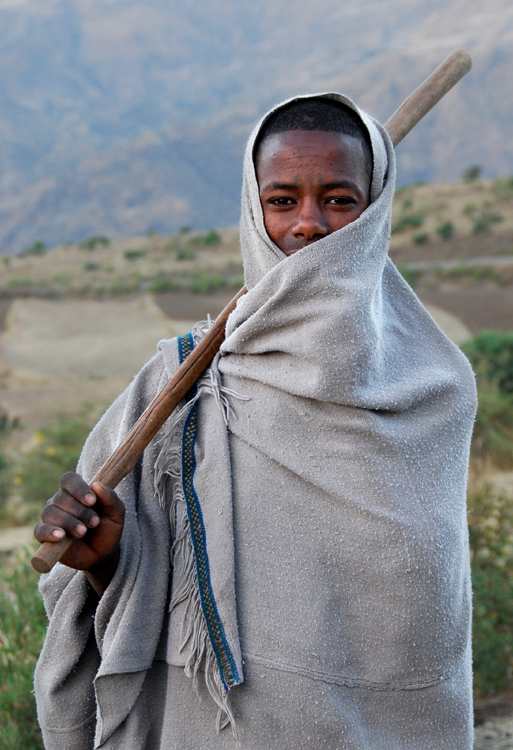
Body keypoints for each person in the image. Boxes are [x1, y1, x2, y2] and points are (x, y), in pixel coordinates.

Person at [34, 94, 477, 750]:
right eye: (281, 201)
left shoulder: (433, 387)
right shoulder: (179, 386)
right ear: (252, 206)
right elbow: (110, 576)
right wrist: (109, 558)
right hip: (221, 726)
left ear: (375, 206)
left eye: (337, 198)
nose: (307, 225)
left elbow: (421, 600)